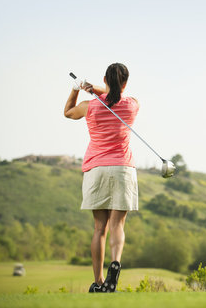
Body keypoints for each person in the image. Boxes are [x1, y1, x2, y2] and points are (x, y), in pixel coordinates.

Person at [64, 63, 140, 293]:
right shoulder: (132, 105)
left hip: (96, 170)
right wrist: (96, 88)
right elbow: (114, 94)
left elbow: (68, 112)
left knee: (100, 229)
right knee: (118, 225)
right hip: (122, 169)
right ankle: (114, 266)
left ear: (104, 79)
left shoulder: (89, 107)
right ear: (125, 83)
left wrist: (77, 89)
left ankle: (98, 282)